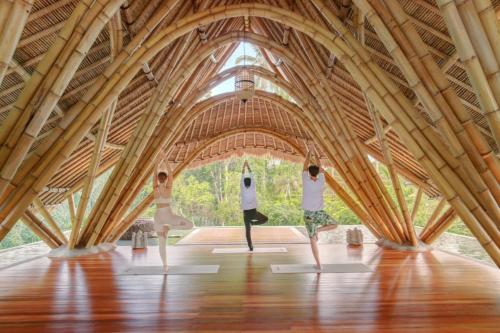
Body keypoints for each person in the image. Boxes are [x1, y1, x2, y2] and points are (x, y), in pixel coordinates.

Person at [154, 152, 194, 272]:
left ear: (157, 179)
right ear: (166, 179)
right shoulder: (168, 188)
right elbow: (170, 174)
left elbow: (154, 174)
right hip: (168, 216)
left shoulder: (155, 188)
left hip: (159, 217)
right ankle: (170, 227)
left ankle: (165, 266)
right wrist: (165, 159)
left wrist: (157, 161)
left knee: (162, 244)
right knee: (190, 225)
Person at [302, 150, 338, 270]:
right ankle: (319, 230)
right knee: (334, 225)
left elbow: (305, 165)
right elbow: (320, 165)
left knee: (312, 240)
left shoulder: (305, 181)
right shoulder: (321, 181)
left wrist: (309, 152)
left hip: (308, 215)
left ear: (308, 173)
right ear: (318, 173)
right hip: (319, 213)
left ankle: (318, 264)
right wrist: (315, 153)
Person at [240, 160, 268, 251]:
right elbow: (251, 175)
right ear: (251, 183)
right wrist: (248, 166)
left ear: (244, 184)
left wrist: (244, 167)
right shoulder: (253, 187)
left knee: (248, 231)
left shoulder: (242, 188)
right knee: (265, 219)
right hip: (254, 212)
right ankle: (253, 223)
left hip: (246, 214)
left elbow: (242, 175)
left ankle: (250, 247)